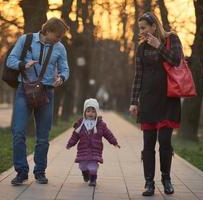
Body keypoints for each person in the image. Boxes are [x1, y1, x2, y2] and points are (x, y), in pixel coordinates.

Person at [6, 17, 69, 185]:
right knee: (18, 132)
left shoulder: (60, 48)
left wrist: (61, 78)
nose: (59, 39)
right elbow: (10, 60)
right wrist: (23, 64)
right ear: (47, 31)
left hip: (47, 92)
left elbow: (65, 68)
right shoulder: (26, 40)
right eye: (57, 36)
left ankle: (40, 171)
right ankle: (21, 172)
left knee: (43, 136)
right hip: (24, 90)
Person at [129, 12, 182, 196]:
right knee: (148, 143)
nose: (141, 31)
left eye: (144, 27)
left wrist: (159, 46)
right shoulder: (141, 48)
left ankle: (166, 179)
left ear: (154, 26)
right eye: (140, 28)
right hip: (148, 99)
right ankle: (149, 183)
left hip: (168, 99)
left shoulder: (171, 39)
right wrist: (134, 101)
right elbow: (138, 76)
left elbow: (176, 60)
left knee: (165, 141)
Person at [66, 98, 120, 186]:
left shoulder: (100, 124)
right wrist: (70, 144)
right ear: (84, 112)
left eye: (93, 111)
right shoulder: (80, 124)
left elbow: (108, 133)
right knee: (82, 166)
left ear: (96, 113)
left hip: (95, 149)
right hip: (83, 149)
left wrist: (114, 142)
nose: (90, 113)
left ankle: (93, 179)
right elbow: (75, 135)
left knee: (93, 167)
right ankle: (85, 173)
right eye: (88, 111)